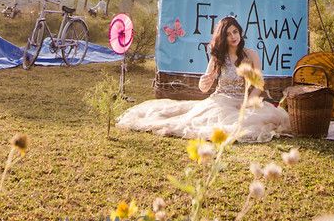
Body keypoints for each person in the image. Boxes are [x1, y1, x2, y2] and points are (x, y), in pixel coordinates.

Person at [117, 16, 291, 142]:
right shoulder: (218, 57)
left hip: (244, 100)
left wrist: (247, 103)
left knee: (263, 119)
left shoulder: (251, 55)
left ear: (240, 32)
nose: (233, 36)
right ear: (223, 37)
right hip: (221, 101)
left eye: (235, 31)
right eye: (229, 34)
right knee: (206, 123)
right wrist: (204, 81)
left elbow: (258, 85)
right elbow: (204, 87)